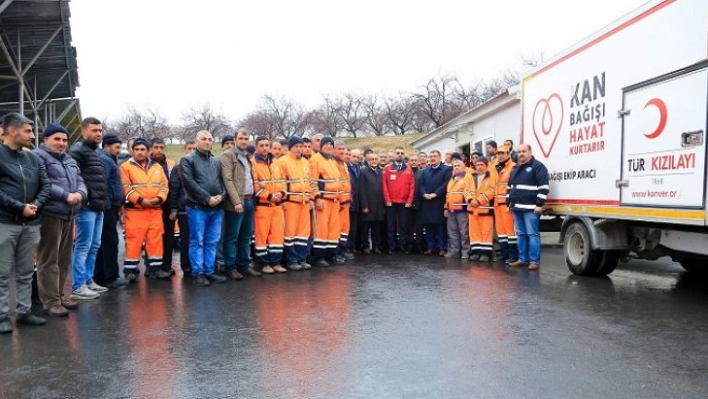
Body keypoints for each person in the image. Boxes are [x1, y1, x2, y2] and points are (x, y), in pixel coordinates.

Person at [0, 113, 51, 333]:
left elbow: (46, 185)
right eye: (28, 131)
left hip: (30, 224)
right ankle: (2, 316)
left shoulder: (32, 158)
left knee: (25, 271)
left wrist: (35, 205)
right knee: (1, 274)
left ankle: (23, 312)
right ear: (12, 131)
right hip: (5, 222)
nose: (32, 135)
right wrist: (19, 207)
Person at [34, 124, 87, 317]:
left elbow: (80, 180)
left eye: (64, 140)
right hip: (50, 213)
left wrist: (81, 193)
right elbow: (42, 182)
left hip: (69, 214)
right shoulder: (37, 157)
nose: (62, 143)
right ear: (45, 139)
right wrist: (66, 195)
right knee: (49, 259)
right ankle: (50, 301)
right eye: (57, 139)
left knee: (64, 259)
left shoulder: (69, 159)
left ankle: (60, 295)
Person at [68, 117, 109, 299]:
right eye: (94, 130)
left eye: (100, 130)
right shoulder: (78, 151)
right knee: (83, 245)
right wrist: (86, 198)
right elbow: (75, 179)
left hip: (98, 206)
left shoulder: (94, 152)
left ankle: (88, 280)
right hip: (86, 206)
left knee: (94, 245)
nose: (98, 134)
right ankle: (78, 286)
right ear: (84, 131)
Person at [120, 138, 171, 281]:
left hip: (155, 211)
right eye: (136, 149)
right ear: (132, 151)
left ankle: (155, 269)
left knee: (155, 241)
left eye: (143, 149)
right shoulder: (125, 167)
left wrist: (159, 199)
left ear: (148, 151)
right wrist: (142, 201)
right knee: (134, 241)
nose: (140, 152)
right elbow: (126, 188)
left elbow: (164, 186)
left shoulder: (157, 167)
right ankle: (130, 270)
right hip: (136, 212)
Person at [181, 131, 228, 286]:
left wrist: (221, 196)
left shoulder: (215, 161)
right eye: (204, 139)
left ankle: (209, 270)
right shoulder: (188, 160)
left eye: (210, 139)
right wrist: (207, 198)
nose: (207, 142)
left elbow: (223, 181)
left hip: (216, 207)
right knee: (197, 241)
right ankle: (198, 273)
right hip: (197, 207)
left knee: (212, 240)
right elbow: (189, 182)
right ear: (197, 141)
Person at [221, 128, 261, 280]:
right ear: (235, 139)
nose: (244, 141)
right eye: (241, 138)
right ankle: (230, 267)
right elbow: (228, 180)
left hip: (249, 199)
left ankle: (244, 265)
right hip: (236, 203)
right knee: (232, 236)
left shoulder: (247, 157)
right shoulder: (228, 155)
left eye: (246, 138)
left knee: (246, 236)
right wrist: (236, 201)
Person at [94, 133, 129, 288]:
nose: (119, 150)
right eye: (116, 147)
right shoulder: (105, 160)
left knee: (104, 243)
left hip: (109, 206)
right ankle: (111, 277)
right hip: (107, 207)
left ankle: (100, 275)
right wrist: (109, 205)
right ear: (106, 146)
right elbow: (103, 184)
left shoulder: (108, 159)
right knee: (110, 242)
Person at [508, 144, 549, 270]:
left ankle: (534, 261)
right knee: (521, 234)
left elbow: (544, 187)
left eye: (524, 151)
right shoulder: (515, 169)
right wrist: (508, 202)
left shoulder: (538, 167)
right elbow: (509, 187)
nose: (521, 154)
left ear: (530, 152)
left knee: (532, 235)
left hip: (531, 208)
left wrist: (539, 205)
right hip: (517, 208)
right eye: (519, 151)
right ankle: (522, 259)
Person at [251, 136, 287, 274]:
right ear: (256, 147)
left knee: (277, 236)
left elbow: (283, 180)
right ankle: (264, 264)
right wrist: (269, 195)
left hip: (277, 206)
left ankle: (276, 262)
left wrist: (282, 193)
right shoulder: (253, 163)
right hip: (263, 206)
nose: (265, 148)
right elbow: (255, 185)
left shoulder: (276, 162)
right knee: (262, 236)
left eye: (267, 145)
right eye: (261, 145)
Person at [278, 136, 312, 270]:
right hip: (291, 202)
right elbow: (281, 182)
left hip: (304, 202)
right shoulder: (283, 162)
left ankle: (301, 258)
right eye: (296, 146)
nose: (299, 149)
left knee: (303, 233)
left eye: (301, 146)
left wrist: (311, 199)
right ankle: (292, 260)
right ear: (291, 147)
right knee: (290, 232)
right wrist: (284, 200)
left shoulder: (305, 162)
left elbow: (310, 182)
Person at [309, 136, 343, 267]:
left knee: (333, 230)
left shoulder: (332, 161)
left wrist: (339, 198)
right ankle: (319, 257)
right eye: (326, 144)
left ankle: (331, 255)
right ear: (321, 146)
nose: (329, 146)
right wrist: (317, 198)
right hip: (323, 200)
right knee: (321, 230)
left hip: (334, 200)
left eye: (331, 144)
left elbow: (337, 181)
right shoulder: (315, 160)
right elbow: (313, 181)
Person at [168, 140, 196, 277]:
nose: (192, 150)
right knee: (186, 238)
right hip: (184, 209)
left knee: (198, 238)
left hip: (199, 209)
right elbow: (173, 189)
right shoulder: (178, 168)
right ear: (185, 150)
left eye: (194, 148)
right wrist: (173, 208)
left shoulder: (200, 167)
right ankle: (186, 265)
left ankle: (197, 263)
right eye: (189, 148)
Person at [150, 137, 177, 275]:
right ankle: (151, 267)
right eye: (156, 147)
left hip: (167, 205)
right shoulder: (146, 164)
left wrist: (174, 208)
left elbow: (175, 186)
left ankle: (167, 265)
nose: (159, 150)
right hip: (151, 206)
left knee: (168, 236)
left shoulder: (171, 164)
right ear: (151, 148)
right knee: (152, 237)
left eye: (161, 147)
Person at [382, 146, 415, 254]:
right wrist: (387, 199)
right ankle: (391, 247)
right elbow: (384, 185)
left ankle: (402, 246)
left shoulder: (408, 169)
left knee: (403, 225)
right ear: (394, 155)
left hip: (404, 203)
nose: (400, 154)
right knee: (390, 225)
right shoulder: (387, 168)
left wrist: (409, 200)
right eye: (398, 153)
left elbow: (412, 186)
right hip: (391, 202)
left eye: (401, 153)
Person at [419, 150, 452, 256]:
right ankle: (430, 247)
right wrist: (424, 194)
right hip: (427, 202)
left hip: (439, 201)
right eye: (431, 156)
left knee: (440, 227)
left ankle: (442, 247)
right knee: (429, 227)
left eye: (435, 156)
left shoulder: (447, 169)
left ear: (440, 157)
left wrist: (435, 194)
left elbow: (445, 184)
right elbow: (421, 185)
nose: (432, 158)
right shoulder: (425, 171)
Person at [465, 156, 497, 262]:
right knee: (474, 232)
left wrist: (478, 201)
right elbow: (466, 190)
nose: (479, 167)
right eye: (477, 165)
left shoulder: (491, 177)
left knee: (486, 232)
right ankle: (476, 252)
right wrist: (470, 200)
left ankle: (486, 254)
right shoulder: (470, 176)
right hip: (472, 210)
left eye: (481, 165)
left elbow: (492, 191)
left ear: (486, 166)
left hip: (485, 210)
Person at [493, 145, 518, 264]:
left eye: (502, 153)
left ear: (508, 154)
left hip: (506, 204)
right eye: (498, 153)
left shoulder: (513, 167)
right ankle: (504, 254)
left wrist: (511, 202)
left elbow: (514, 187)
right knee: (501, 232)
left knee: (510, 232)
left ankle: (513, 256)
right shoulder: (496, 168)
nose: (500, 155)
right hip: (497, 204)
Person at [358, 152, 385, 254]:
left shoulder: (381, 172)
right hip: (368, 205)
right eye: (371, 159)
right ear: (367, 161)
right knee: (366, 227)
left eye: (375, 159)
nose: (374, 161)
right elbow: (361, 190)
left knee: (377, 227)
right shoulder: (363, 172)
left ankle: (376, 246)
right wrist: (364, 205)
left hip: (378, 205)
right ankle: (365, 246)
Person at [445, 155, 470, 259]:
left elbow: (468, 192)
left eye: (458, 165)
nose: (456, 167)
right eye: (454, 166)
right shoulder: (452, 178)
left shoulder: (467, 177)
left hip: (462, 209)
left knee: (464, 232)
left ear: (464, 167)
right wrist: (446, 207)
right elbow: (448, 194)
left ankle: (465, 252)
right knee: (452, 232)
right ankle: (455, 251)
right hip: (451, 209)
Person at [333, 141, 353, 262]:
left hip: (346, 202)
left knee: (345, 229)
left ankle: (341, 250)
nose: (342, 151)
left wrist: (349, 199)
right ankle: (335, 253)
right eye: (339, 149)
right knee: (336, 229)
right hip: (339, 202)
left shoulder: (344, 164)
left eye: (343, 149)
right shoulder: (333, 164)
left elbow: (347, 183)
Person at [346, 148, 362, 254]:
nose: (355, 159)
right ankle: (347, 247)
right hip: (348, 201)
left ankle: (352, 246)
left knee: (355, 226)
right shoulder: (346, 168)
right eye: (353, 156)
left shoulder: (359, 169)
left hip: (357, 202)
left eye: (357, 157)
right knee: (347, 226)